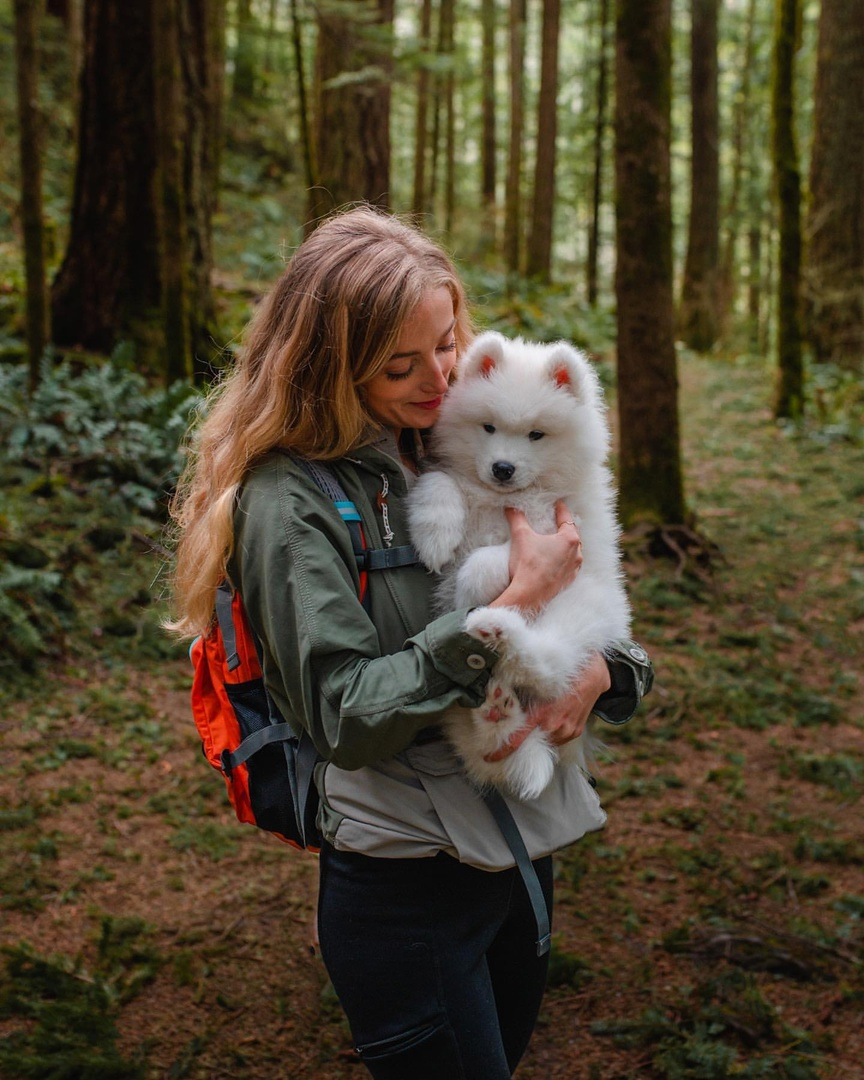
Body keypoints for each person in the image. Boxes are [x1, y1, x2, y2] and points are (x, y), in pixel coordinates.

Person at [168, 205, 651, 1079]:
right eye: (400, 364)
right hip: (403, 881)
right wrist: (504, 608)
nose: (436, 378)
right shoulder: (290, 502)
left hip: (519, 849)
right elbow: (345, 715)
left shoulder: (460, 437)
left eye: (445, 344)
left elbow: (594, 592)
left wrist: (605, 673)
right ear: (332, 366)